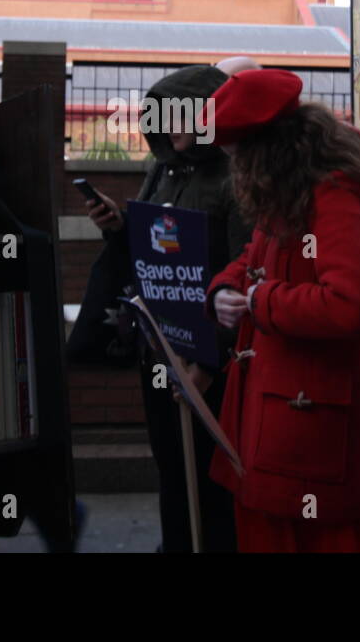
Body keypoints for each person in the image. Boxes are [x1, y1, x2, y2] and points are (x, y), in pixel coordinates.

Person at [205, 69, 360, 553]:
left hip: (311, 428)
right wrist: (225, 288)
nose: (235, 169)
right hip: (279, 416)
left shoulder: (334, 192)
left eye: (237, 156)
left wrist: (256, 302)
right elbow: (258, 255)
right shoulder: (293, 186)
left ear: (265, 149)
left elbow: (352, 304)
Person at [72, 64, 250, 553]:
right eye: (163, 117)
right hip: (160, 344)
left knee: (210, 473)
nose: (173, 128)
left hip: (207, 354)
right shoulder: (159, 169)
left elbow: (245, 270)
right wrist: (117, 221)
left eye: (183, 116)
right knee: (170, 464)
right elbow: (149, 238)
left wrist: (212, 361)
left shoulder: (237, 179)